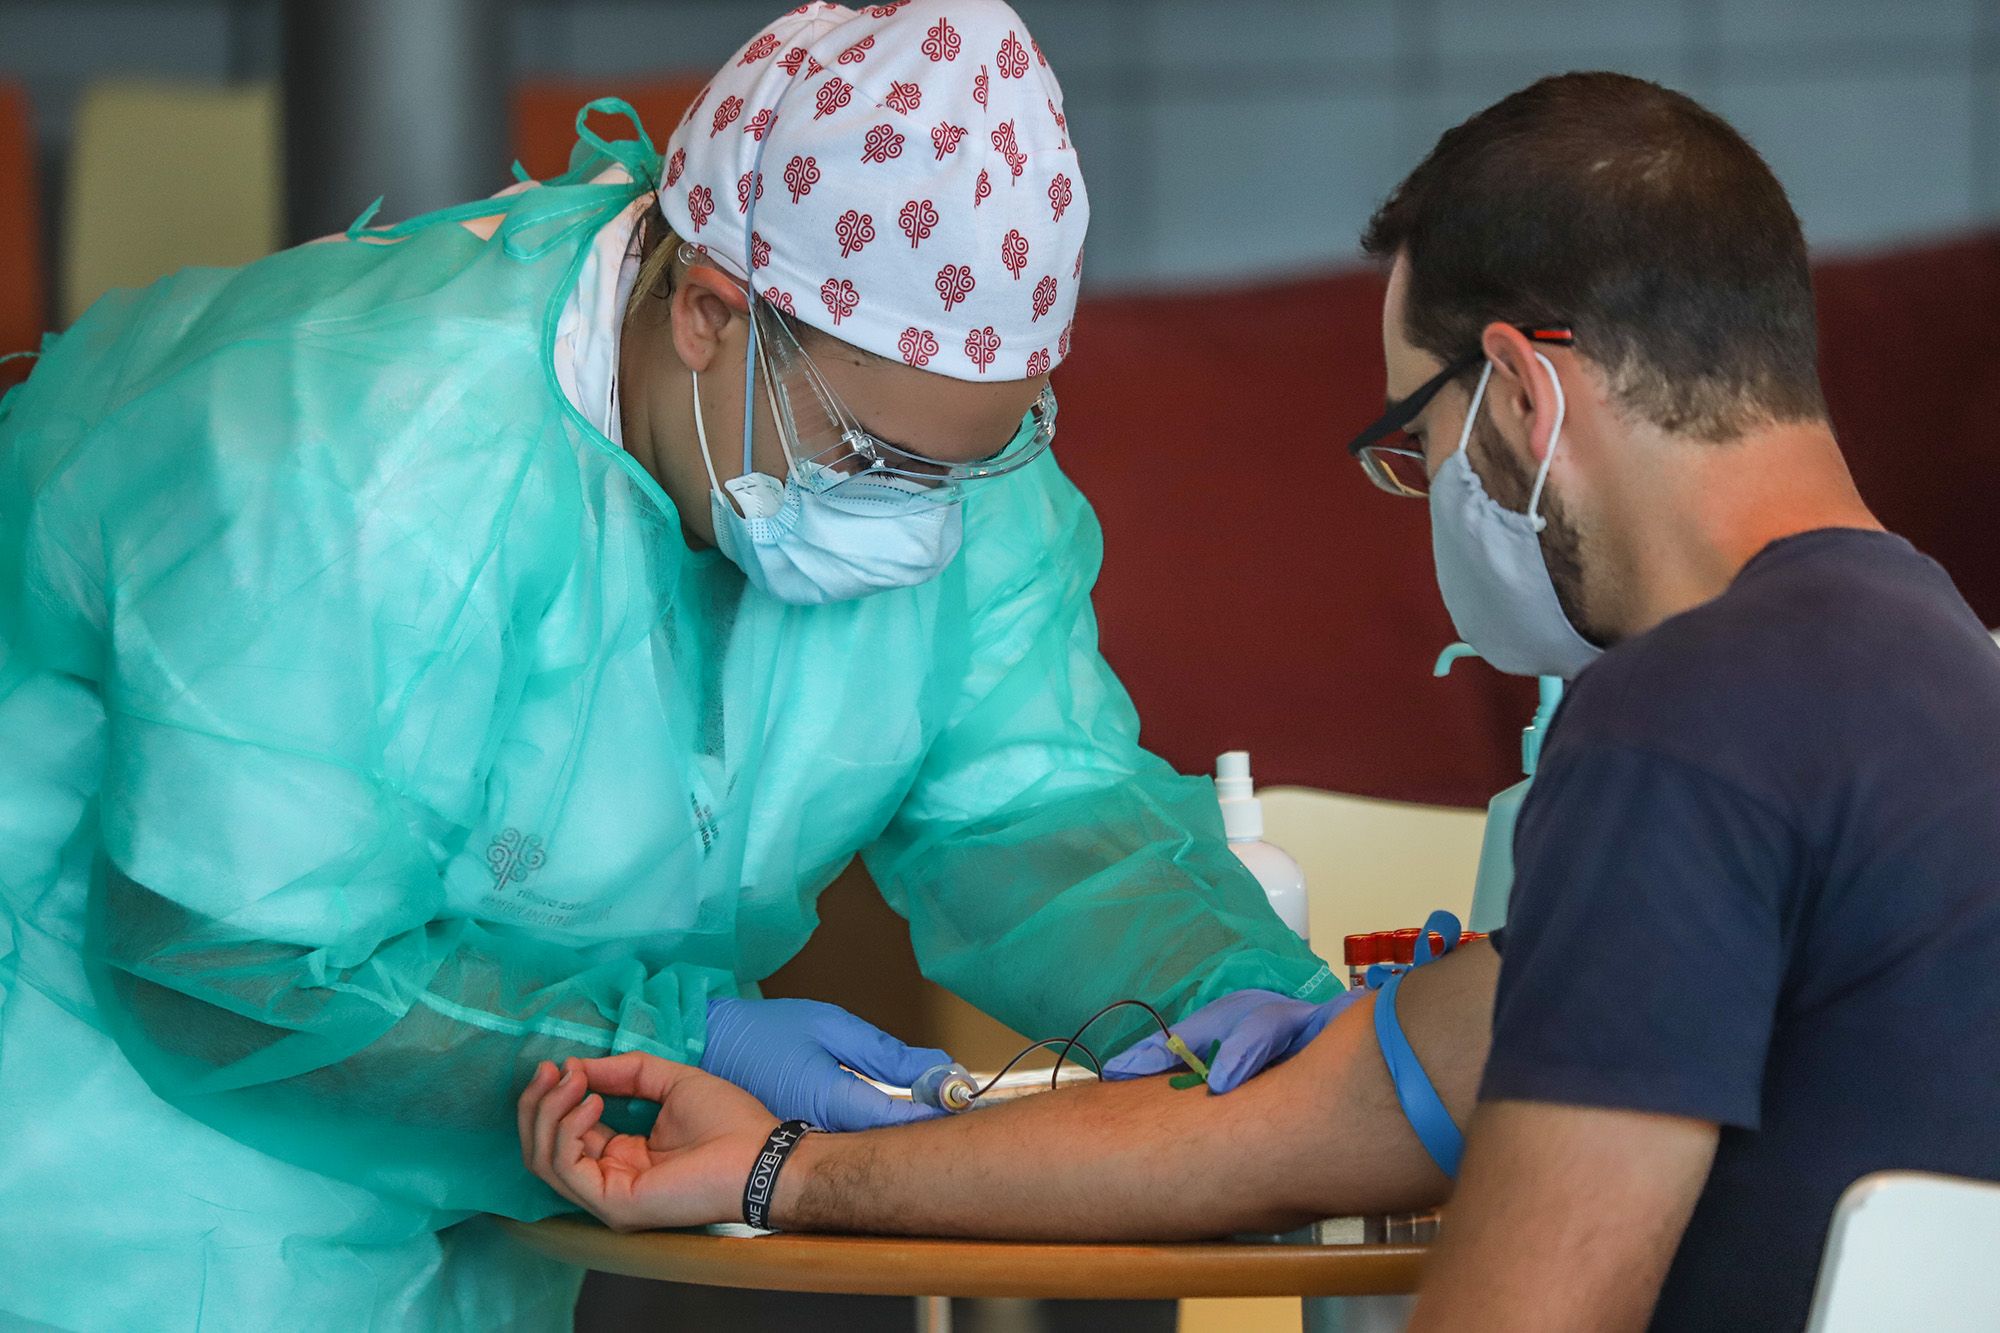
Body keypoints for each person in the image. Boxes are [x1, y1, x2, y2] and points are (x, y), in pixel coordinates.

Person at [519, 72, 2000, 1331]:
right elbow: (1313, 1124)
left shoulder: (1682, 720)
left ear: (1525, 398)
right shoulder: (1942, 668)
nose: (1424, 501)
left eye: (1417, 442)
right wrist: (792, 1166)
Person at [0, 4, 1335, 1329]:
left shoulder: (954, 473)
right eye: (876, 462)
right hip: (126, 1198)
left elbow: (1034, 807)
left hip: (494, 1212)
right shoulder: (361, 461)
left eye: (970, 464)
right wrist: (670, 1039)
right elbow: (228, 955)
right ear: (707, 312)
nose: (922, 522)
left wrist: (1219, 976)